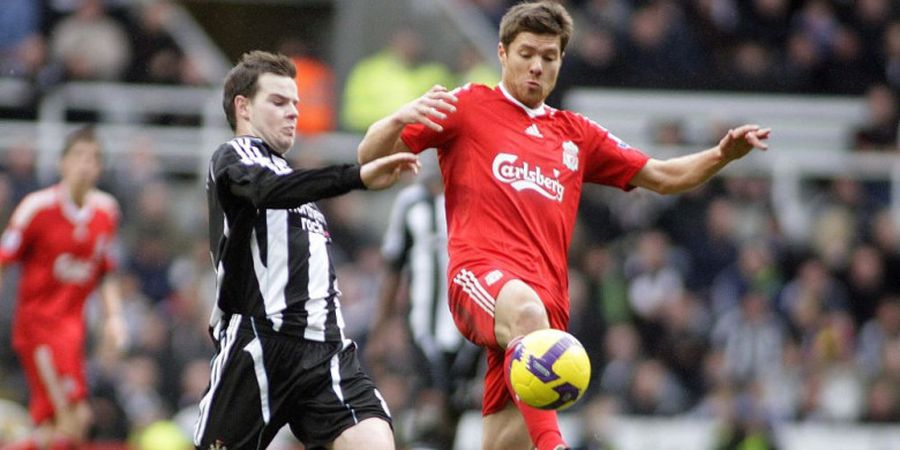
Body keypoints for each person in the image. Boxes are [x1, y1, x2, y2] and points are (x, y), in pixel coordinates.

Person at [356, 2, 771, 449]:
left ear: (560, 61)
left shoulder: (576, 134)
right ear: (502, 53)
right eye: (527, 53)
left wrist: (721, 155)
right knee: (527, 314)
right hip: (481, 279)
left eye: (548, 57)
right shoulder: (469, 106)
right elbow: (369, 157)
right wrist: (399, 118)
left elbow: (665, 177)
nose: (537, 66)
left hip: (540, 320)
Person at [193, 50, 420, 450]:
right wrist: (357, 176)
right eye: (279, 102)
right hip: (261, 343)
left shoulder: (293, 179)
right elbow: (266, 190)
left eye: (296, 103)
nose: (294, 113)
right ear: (243, 107)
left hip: (325, 348)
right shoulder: (235, 156)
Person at [0, 126, 126, 449]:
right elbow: (4, 258)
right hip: (39, 328)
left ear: (100, 168)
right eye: (78, 156)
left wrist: (114, 317)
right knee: (76, 419)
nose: (86, 164)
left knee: (54, 428)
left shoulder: (106, 212)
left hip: (72, 332)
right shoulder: (36, 208)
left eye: (93, 158)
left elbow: (105, 272)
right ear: (62, 163)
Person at [369, 155, 481, 448]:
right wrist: (381, 328)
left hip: (470, 328)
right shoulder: (411, 203)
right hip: (423, 326)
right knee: (429, 404)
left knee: (457, 405)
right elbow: (393, 266)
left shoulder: (478, 200)